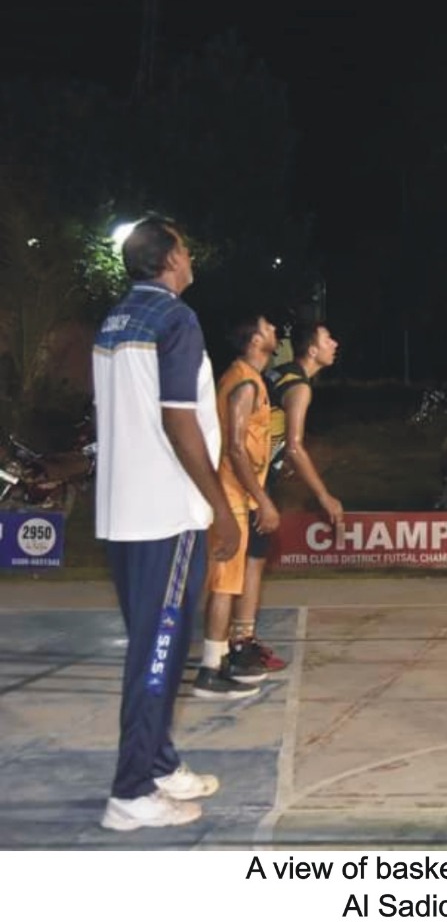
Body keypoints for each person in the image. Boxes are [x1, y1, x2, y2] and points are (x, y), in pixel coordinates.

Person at [93, 217, 242, 831]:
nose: (190, 255)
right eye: (184, 246)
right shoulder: (177, 320)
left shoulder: (115, 321)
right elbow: (179, 423)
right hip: (164, 511)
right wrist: (221, 508)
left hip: (120, 509)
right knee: (157, 654)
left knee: (156, 645)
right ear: (170, 259)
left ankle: (157, 762)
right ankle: (130, 792)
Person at [230, 321, 344, 671]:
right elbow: (295, 446)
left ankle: (232, 640)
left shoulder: (280, 374)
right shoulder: (299, 388)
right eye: (328, 338)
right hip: (252, 478)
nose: (334, 343)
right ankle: (240, 643)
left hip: (244, 472)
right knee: (252, 561)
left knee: (243, 561)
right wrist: (325, 496)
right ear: (312, 350)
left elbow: (271, 429)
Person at [194, 315, 281, 698]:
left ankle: (223, 654)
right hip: (230, 494)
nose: (275, 330)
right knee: (225, 583)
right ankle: (209, 669)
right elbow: (234, 447)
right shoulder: (244, 382)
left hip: (237, 492)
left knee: (227, 582)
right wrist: (263, 500)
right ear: (254, 340)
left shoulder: (251, 378)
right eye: (268, 327)